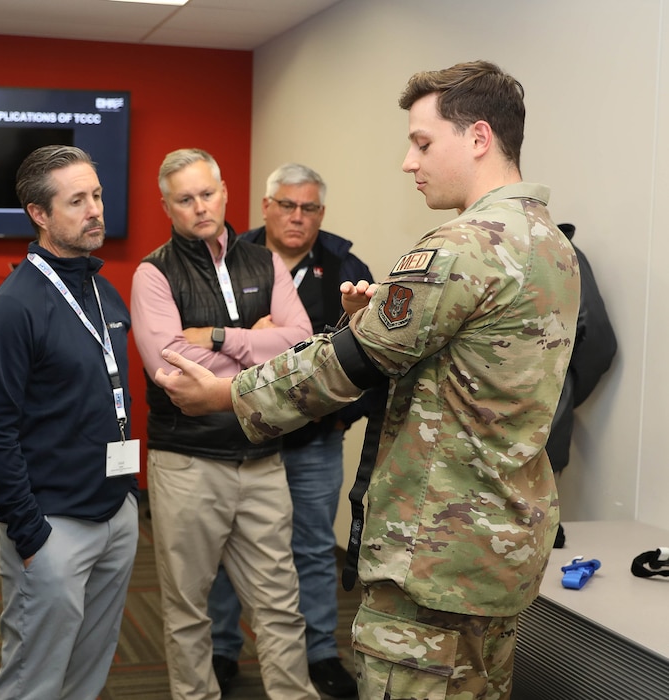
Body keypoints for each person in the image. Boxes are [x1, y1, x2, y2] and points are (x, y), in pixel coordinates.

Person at [152, 61, 580, 700]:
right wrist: (377, 327)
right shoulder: (549, 243)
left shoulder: (460, 247)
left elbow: (344, 365)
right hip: (501, 544)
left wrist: (225, 394)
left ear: (480, 138)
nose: (409, 161)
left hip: (435, 549)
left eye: (423, 142)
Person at [131, 147, 318, 700]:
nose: (199, 207)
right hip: (188, 463)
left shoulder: (267, 262)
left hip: (262, 460)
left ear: (226, 191)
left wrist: (217, 338)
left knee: (281, 606)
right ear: (167, 206)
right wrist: (265, 345)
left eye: (206, 194)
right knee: (188, 610)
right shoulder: (153, 272)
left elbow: (304, 344)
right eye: (184, 199)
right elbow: (170, 368)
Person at [0, 145, 139, 700]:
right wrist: (30, 533)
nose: (95, 210)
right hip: (52, 524)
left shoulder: (101, 287)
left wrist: (126, 505)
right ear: (39, 214)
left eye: (97, 196)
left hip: (115, 512)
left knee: (88, 673)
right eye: (77, 201)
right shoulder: (13, 308)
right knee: (33, 682)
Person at [207, 162, 375, 698]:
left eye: (309, 208)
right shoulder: (231, 258)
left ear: (321, 214)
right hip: (243, 439)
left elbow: (371, 354)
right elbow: (207, 339)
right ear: (266, 206)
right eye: (287, 205)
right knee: (231, 548)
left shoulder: (347, 266)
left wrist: (341, 414)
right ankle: (221, 651)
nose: (297, 217)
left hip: (314, 442)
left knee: (311, 549)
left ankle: (321, 653)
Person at [546, 223, 616, 548]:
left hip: (533, 442)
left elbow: (599, 343)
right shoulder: (468, 250)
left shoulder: (560, 253)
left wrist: (562, 393)